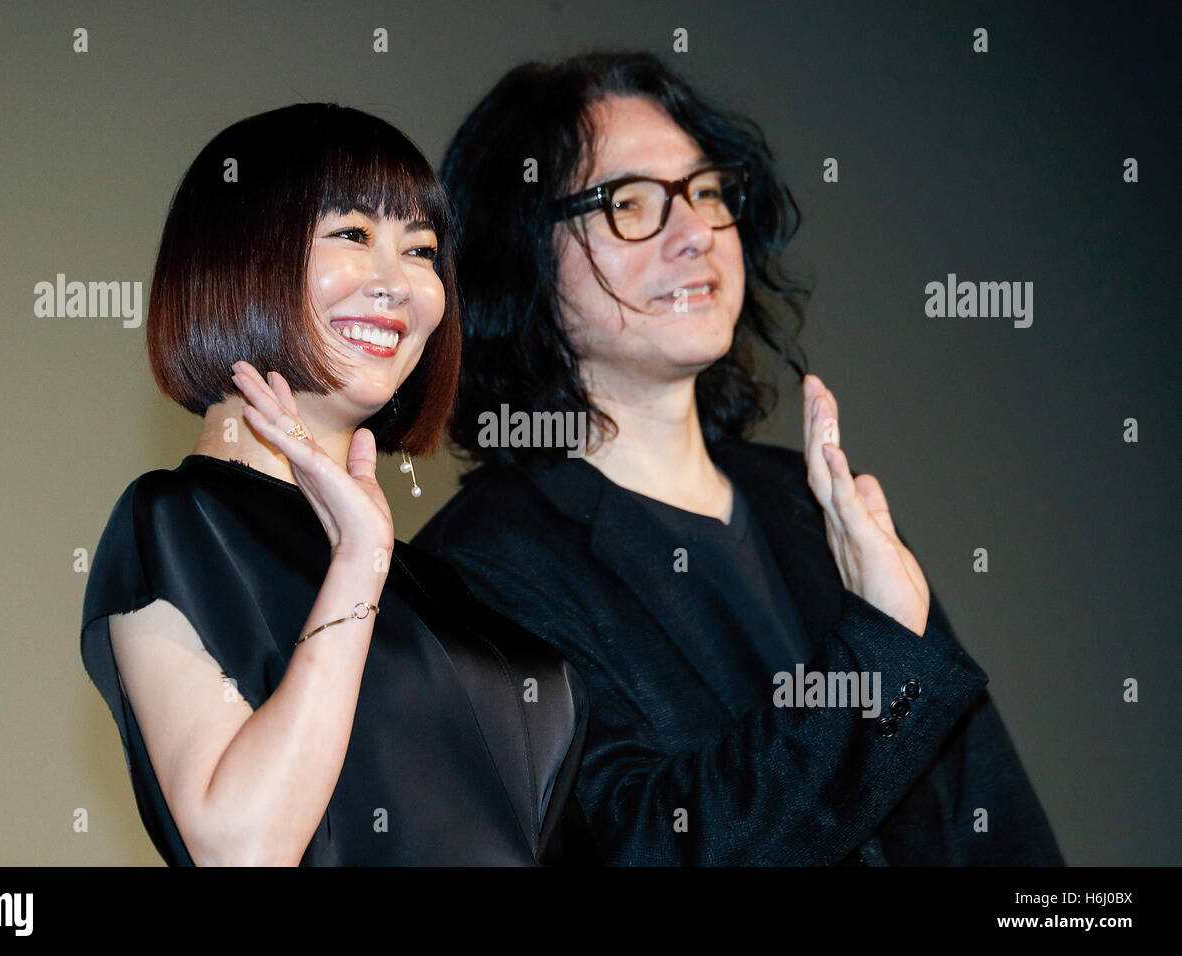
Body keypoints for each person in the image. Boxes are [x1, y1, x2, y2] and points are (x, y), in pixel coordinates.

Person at [413, 52, 1064, 865]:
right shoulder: (478, 571)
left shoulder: (809, 498)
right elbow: (642, 849)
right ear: (521, 255)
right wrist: (886, 651)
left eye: (707, 191)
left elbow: (995, 827)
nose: (695, 235)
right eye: (631, 204)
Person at [79, 103, 594, 866]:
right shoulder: (178, 523)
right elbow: (243, 847)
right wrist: (356, 567)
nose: (400, 284)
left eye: (422, 251)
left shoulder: (438, 580)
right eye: (353, 234)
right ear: (240, 257)